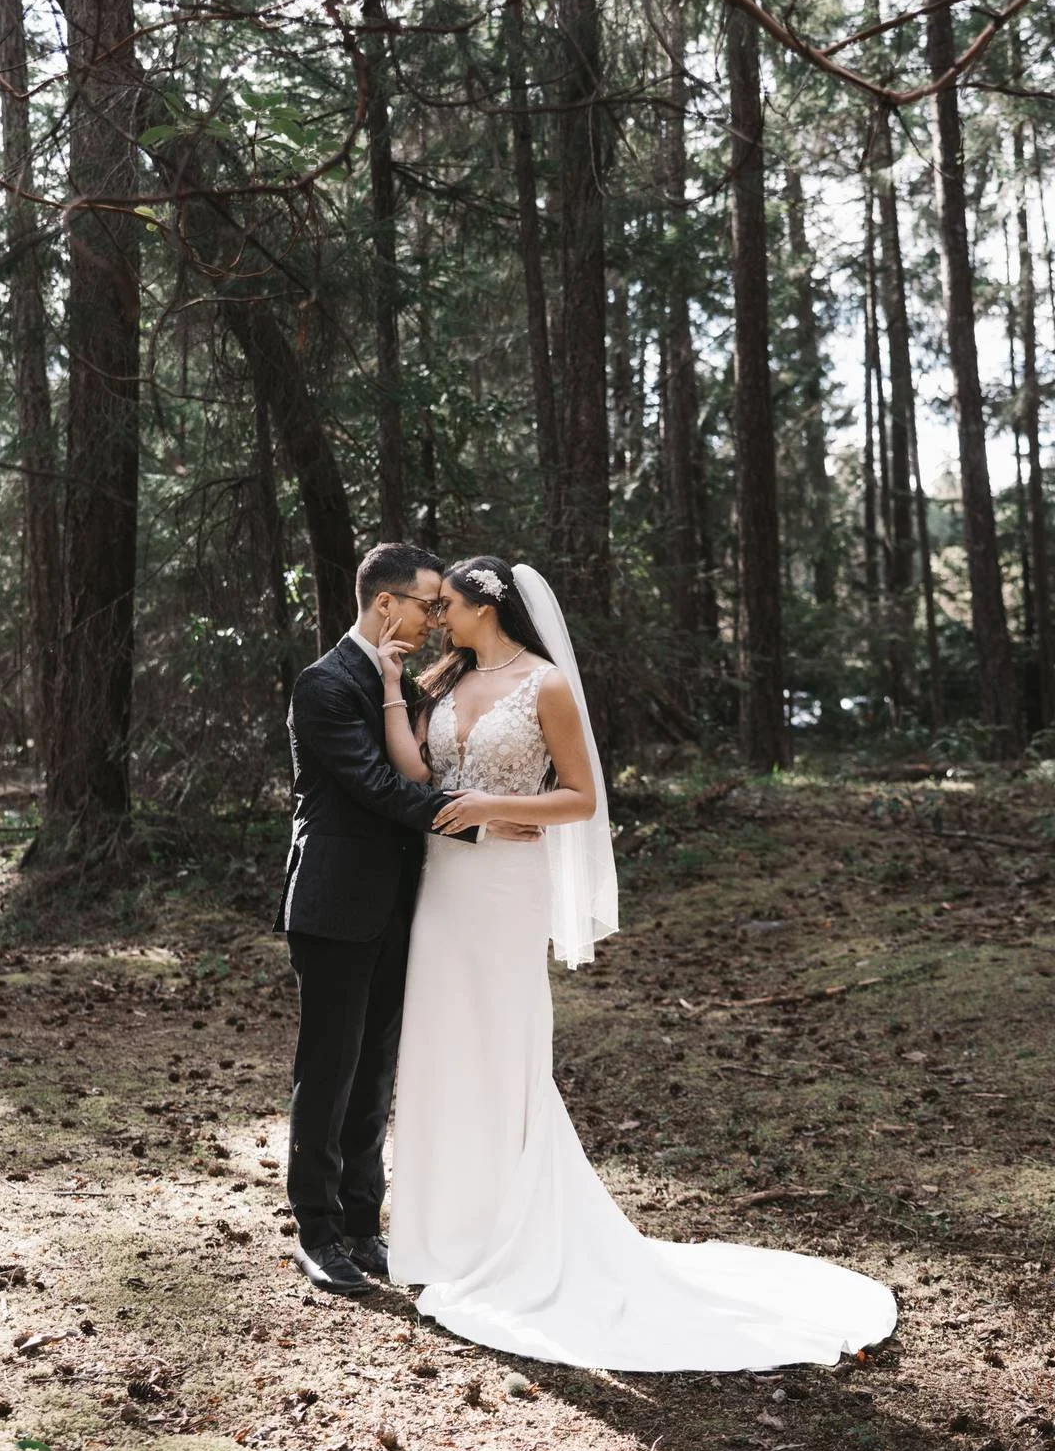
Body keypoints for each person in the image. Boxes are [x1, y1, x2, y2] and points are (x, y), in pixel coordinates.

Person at [379, 556, 898, 1370]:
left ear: (488, 605)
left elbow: (582, 798)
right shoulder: (440, 683)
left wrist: (493, 807)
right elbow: (413, 775)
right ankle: (439, 1234)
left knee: (504, 1044)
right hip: (442, 885)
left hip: (507, 886)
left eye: (446, 603)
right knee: (440, 1045)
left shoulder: (545, 685)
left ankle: (512, 1230)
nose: (435, 615)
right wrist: (387, 685)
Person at [275, 543, 538, 1298]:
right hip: (332, 903)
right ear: (384, 603)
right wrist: (481, 823)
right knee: (327, 1071)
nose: (434, 616)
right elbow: (374, 785)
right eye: (426, 602)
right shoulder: (322, 684)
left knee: (375, 1071)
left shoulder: (409, 683)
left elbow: (426, 766)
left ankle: (363, 1224)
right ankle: (318, 1234)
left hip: (402, 904)